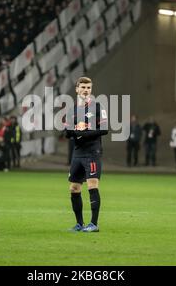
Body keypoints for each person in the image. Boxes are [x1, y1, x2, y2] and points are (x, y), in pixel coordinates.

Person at [65, 76, 108, 233]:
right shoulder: (72, 110)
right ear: (77, 89)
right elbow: (67, 132)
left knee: (92, 185)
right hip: (78, 153)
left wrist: (85, 132)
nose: (86, 90)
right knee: (74, 188)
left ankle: (94, 224)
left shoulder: (98, 107)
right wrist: (76, 131)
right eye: (83, 87)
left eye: (88, 88)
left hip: (92, 152)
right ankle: (79, 224)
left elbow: (104, 129)